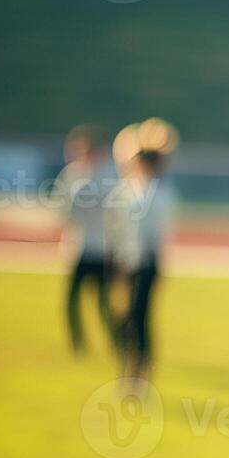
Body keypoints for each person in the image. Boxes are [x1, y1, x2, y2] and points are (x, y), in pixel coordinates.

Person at [110, 120, 178, 385]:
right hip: (127, 262)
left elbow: (153, 234)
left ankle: (140, 370)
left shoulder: (158, 193)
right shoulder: (131, 190)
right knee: (125, 317)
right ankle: (131, 366)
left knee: (138, 318)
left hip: (146, 264)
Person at [52, 124, 119, 356]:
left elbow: (118, 213)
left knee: (104, 303)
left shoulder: (111, 174)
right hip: (79, 247)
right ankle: (78, 345)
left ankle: (116, 343)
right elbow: (63, 211)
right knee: (72, 301)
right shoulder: (72, 174)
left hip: (103, 248)